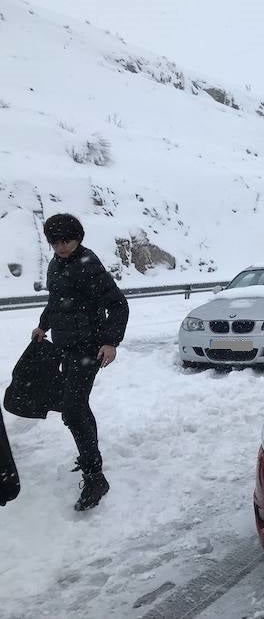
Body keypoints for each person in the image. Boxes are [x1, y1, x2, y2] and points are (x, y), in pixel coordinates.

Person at [31, 213, 129, 511]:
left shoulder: (89, 265)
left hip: (88, 348)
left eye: (66, 241)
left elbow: (119, 304)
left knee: (72, 410)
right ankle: (88, 457)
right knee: (76, 407)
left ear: (78, 239)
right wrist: (43, 325)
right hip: (64, 345)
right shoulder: (56, 265)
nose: (60, 247)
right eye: (55, 243)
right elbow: (56, 301)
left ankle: (95, 476)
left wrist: (111, 342)